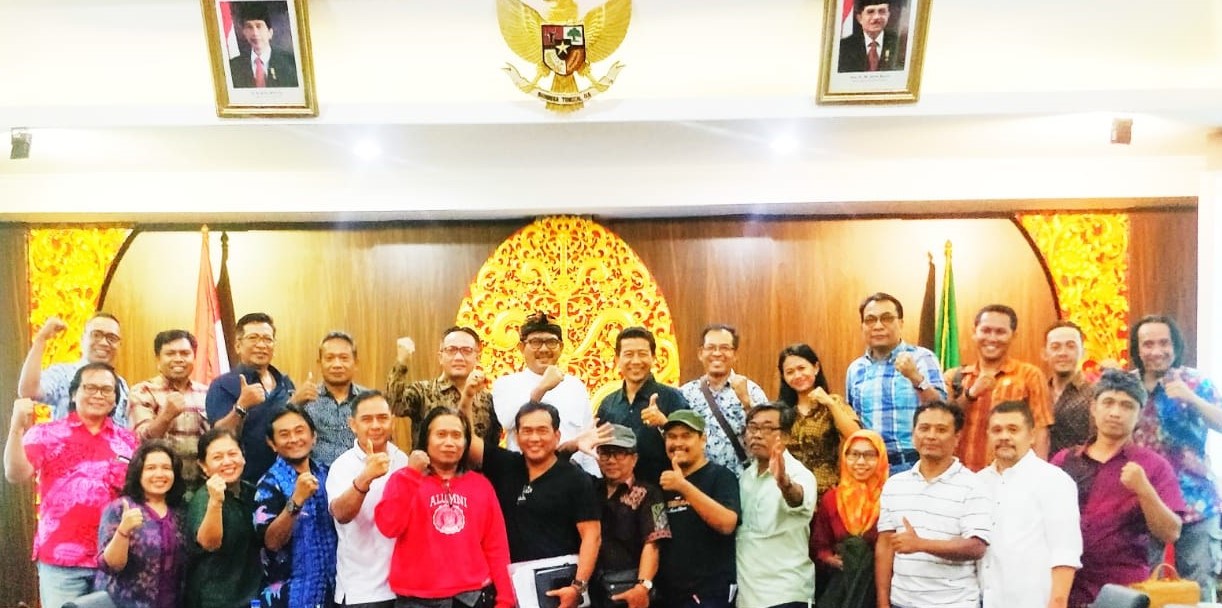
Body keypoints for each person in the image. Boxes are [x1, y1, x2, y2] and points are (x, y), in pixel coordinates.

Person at [4, 362, 139, 608]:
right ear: (74, 394)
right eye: (90, 387)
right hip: (61, 561)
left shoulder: (129, 442)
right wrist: (16, 428)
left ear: (115, 400)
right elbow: (15, 474)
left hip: (113, 558)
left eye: (106, 390)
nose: (98, 395)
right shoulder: (47, 433)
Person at [1051, 369, 1184, 607]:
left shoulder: (1153, 466)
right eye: (1108, 402)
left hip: (1123, 591)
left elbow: (1171, 533)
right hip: (1065, 587)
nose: (1115, 412)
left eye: (1126, 406)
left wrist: (1144, 490)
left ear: (1139, 414)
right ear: (1093, 408)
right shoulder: (1064, 461)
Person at [375, 406, 514, 608]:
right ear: (426, 439)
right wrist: (412, 475)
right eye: (441, 434)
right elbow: (389, 527)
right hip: (416, 600)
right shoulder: (403, 479)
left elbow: (497, 547)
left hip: (471, 598)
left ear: (466, 442)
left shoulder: (481, 485)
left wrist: (506, 600)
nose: (449, 442)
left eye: (456, 435)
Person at [1128, 315, 1221, 601]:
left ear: (1175, 346)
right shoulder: (1128, 385)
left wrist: (1192, 399)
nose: (1157, 351)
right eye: (1148, 344)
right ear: (1137, 349)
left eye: (1164, 343)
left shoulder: (1195, 381)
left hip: (1195, 502)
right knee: (1143, 590)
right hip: (1144, 503)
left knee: (1198, 590)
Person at [474, 401, 602, 608]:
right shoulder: (505, 465)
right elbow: (465, 440)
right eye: (527, 431)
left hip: (558, 587)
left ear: (557, 436)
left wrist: (578, 586)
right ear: (516, 436)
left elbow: (592, 536)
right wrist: (468, 396)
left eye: (542, 430)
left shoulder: (576, 479)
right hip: (509, 588)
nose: (534, 438)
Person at [875, 401, 991, 608]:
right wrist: (883, 601)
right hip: (902, 602)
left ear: (957, 438)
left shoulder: (973, 486)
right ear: (913, 434)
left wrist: (921, 544)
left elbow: (976, 547)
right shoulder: (894, 485)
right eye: (924, 428)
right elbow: (885, 545)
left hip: (955, 603)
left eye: (941, 430)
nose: (931, 436)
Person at [976, 401, 1081, 608]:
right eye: (997, 430)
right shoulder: (978, 483)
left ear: (1032, 435)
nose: (1004, 436)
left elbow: (1065, 553)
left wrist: (1057, 602)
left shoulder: (1053, 481)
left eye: (1013, 429)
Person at [845, 293, 946, 475]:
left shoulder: (922, 358)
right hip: (870, 467)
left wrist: (916, 378)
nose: (878, 326)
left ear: (900, 323)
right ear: (862, 326)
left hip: (914, 464)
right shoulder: (855, 369)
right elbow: (853, 422)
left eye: (886, 318)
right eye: (870, 320)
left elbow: (942, 411)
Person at [206, 312, 313, 483]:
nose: (261, 345)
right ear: (238, 346)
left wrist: (296, 405)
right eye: (253, 338)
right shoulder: (222, 385)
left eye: (267, 339)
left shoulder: (285, 382)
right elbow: (219, 436)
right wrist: (241, 406)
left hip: (287, 478)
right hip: (245, 481)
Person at [325, 391, 408, 608]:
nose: (376, 425)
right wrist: (365, 477)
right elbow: (341, 514)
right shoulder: (342, 465)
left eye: (382, 418)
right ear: (353, 425)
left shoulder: (402, 459)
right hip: (362, 593)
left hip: (403, 587)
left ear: (392, 420)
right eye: (367, 419)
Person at [492, 311, 599, 475]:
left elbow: (586, 439)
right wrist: (541, 388)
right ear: (521, 347)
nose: (543, 349)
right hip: (525, 475)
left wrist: (594, 478)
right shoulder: (506, 384)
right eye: (535, 342)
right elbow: (508, 422)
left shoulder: (576, 386)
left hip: (571, 475)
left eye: (551, 342)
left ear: (561, 347)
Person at [947, 304, 1052, 471]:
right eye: (986, 330)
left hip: (1009, 477)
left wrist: (1037, 476)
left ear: (1013, 335)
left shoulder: (1030, 376)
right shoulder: (955, 377)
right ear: (974, 332)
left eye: (1000, 332)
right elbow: (943, 422)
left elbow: (1040, 432)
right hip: (959, 477)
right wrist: (970, 394)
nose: (992, 338)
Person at [252, 405, 338, 608]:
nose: (293, 439)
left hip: (331, 592)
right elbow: (271, 542)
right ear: (272, 444)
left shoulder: (329, 474)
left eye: (299, 431)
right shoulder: (268, 484)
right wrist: (296, 501)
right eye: (284, 434)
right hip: (288, 597)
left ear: (313, 437)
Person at [656, 410, 741, 608]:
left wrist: (683, 487)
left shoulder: (721, 476)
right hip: (668, 594)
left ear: (703, 439)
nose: (678, 443)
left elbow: (727, 524)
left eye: (686, 436)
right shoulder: (663, 481)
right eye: (672, 437)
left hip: (710, 593)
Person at [736, 402, 817, 608]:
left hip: (786, 593)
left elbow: (797, 499)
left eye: (767, 428)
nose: (757, 435)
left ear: (786, 436)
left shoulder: (800, 474)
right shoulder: (745, 476)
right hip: (747, 596)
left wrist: (784, 483)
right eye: (752, 427)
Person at [97, 441, 189, 608]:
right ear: (138, 472)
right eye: (151, 468)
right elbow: (111, 566)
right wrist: (123, 531)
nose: (159, 474)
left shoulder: (180, 510)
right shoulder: (120, 508)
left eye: (166, 468)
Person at [591, 424, 670, 608]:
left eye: (619, 454)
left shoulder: (649, 493)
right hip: (594, 590)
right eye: (605, 453)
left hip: (631, 590)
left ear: (634, 458)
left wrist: (643, 587)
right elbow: (558, 463)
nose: (611, 460)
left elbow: (653, 544)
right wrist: (574, 445)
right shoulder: (589, 489)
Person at [598, 325, 688, 485]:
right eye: (628, 354)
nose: (636, 361)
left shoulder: (672, 397)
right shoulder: (608, 404)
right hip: (619, 493)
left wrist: (664, 424)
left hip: (663, 489)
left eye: (642, 354)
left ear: (653, 357)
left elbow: (690, 447)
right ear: (617, 359)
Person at [184, 428, 262, 608]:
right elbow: (209, 543)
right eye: (217, 457)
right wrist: (216, 502)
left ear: (243, 456)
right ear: (203, 466)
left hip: (251, 596)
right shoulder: (203, 498)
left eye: (232, 454)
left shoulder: (251, 491)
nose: (227, 461)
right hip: (214, 600)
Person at [811, 430, 889, 608]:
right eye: (854, 454)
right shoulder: (832, 499)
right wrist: (830, 559)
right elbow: (820, 545)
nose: (860, 462)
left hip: (881, 589)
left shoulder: (891, 496)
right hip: (842, 588)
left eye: (869, 455)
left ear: (881, 458)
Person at [678, 324, 768, 477]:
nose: (717, 353)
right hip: (698, 482)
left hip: (742, 481)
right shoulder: (685, 393)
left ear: (735, 354)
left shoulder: (752, 391)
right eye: (711, 348)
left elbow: (767, 436)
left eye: (725, 348)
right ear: (700, 353)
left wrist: (747, 403)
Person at [386, 325, 496, 448]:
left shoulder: (487, 399)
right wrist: (401, 361)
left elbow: (493, 445)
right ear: (440, 357)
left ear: (478, 358)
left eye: (466, 350)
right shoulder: (423, 391)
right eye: (451, 350)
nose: (459, 357)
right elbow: (395, 406)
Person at [128, 329, 210, 490]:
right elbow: (140, 442)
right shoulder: (143, 391)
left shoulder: (206, 393)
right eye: (170, 354)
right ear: (158, 359)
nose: (178, 359)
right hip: (159, 487)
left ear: (194, 357)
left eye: (185, 353)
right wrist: (165, 416)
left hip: (201, 487)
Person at [776, 343, 860, 496]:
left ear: (816, 367)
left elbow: (856, 436)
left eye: (802, 368)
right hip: (792, 493)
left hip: (826, 492)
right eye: (790, 372)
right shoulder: (780, 411)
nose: (797, 375)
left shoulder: (834, 402)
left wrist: (830, 404)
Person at [18, 312, 131, 426]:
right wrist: (41, 339)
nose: (104, 343)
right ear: (82, 339)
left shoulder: (121, 385)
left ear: (119, 345)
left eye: (112, 338)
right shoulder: (62, 374)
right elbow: (28, 391)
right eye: (96, 335)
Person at [302, 331, 369, 466]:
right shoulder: (305, 399)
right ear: (319, 363)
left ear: (355, 363)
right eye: (330, 358)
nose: (337, 364)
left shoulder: (369, 400)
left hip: (361, 473)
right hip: (315, 475)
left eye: (344, 358)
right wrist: (293, 403)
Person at [1043, 321, 1094, 455]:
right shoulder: (1037, 394)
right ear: (1045, 354)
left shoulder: (1096, 395)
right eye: (1055, 347)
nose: (1063, 353)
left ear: (1084, 353)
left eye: (1071, 346)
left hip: (1081, 467)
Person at [228, 4, 298, 88]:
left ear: (270, 32)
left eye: (259, 26)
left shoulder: (290, 63)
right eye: (249, 27)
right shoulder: (233, 66)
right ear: (244, 33)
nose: (255, 33)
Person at [838, 1, 905, 73]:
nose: (876, 17)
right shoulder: (844, 46)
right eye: (870, 12)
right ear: (859, 18)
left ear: (888, 15)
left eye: (882, 11)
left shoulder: (899, 43)